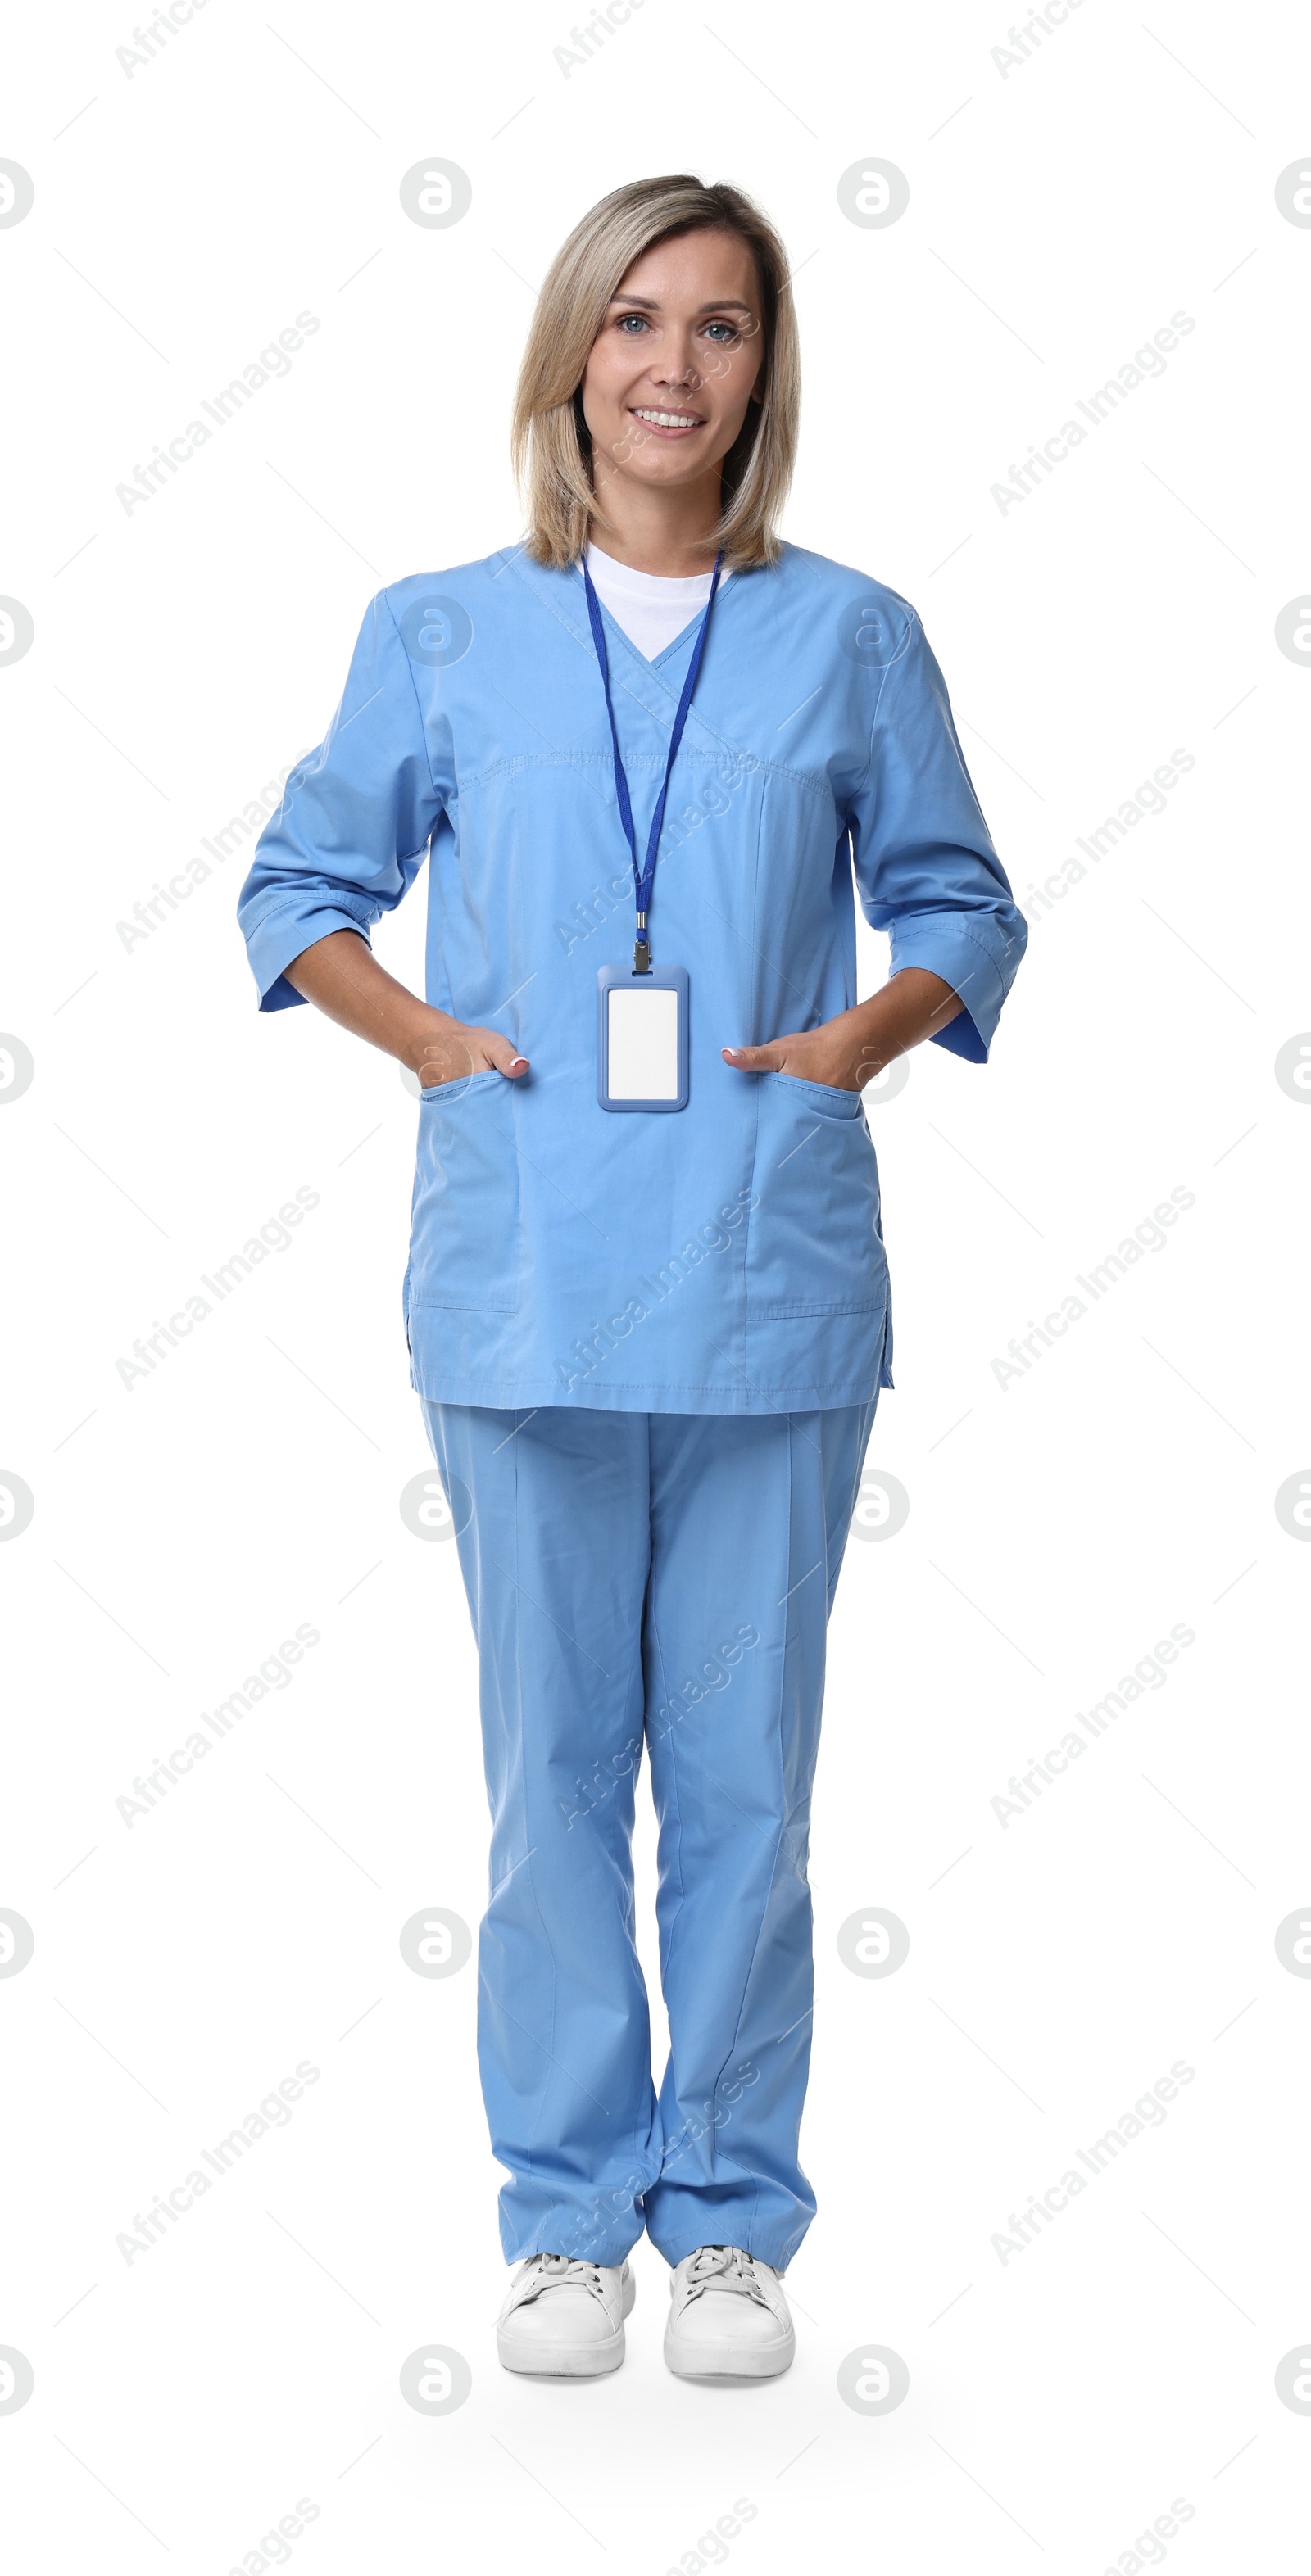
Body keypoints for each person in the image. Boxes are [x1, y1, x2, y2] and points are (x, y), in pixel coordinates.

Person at [237, 173, 1027, 2383]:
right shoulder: (442, 629)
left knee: (752, 1773)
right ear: (571, 353)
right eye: (638, 319)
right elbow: (301, 882)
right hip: (527, 1265)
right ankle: (570, 2216)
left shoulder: (849, 632)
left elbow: (961, 898)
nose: (677, 363)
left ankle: (734, 2219)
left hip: (769, 1266)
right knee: (554, 1764)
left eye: (726, 327)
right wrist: (428, 1043)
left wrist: (850, 1043)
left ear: (767, 374)